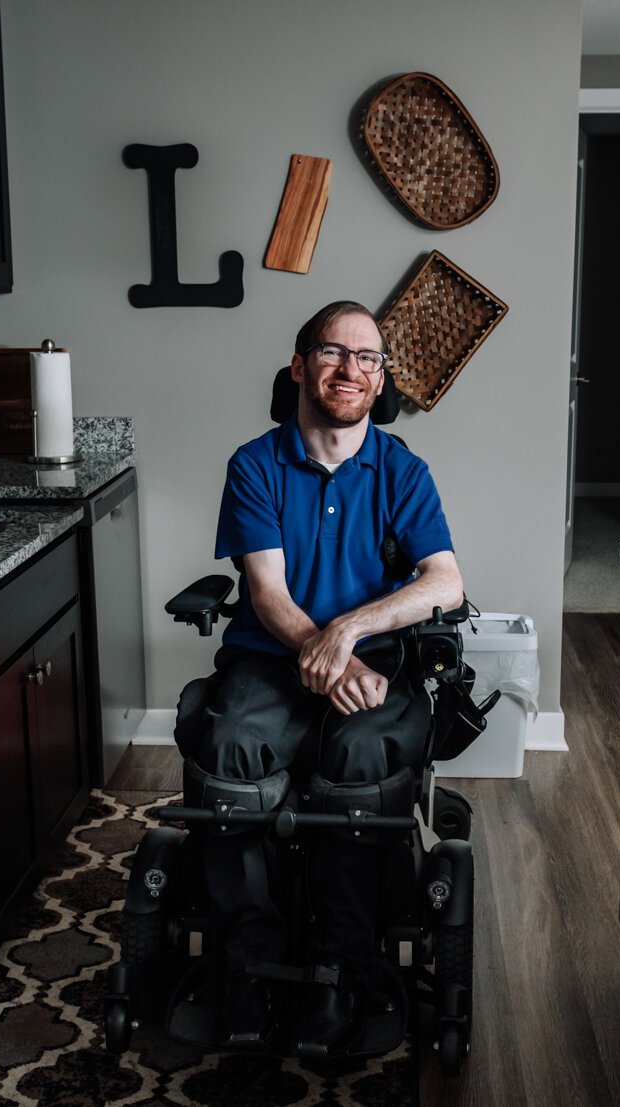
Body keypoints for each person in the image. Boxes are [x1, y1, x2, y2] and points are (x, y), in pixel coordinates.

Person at [174, 300, 464, 1056]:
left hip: (376, 669)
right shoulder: (255, 464)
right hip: (268, 663)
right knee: (231, 742)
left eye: (367, 358)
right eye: (334, 353)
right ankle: (249, 962)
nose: (351, 369)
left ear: (380, 378)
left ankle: (342, 963)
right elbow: (266, 593)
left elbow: (445, 583)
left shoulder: (402, 470)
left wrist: (349, 632)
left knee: (360, 758)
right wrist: (322, 651)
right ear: (299, 366)